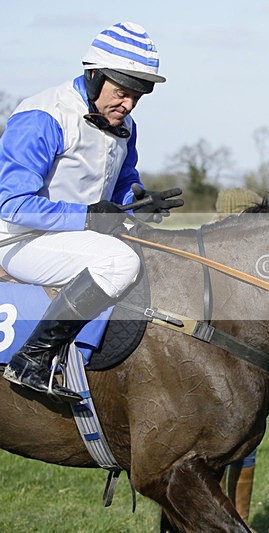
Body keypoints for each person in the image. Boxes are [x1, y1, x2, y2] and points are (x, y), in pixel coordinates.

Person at [0, 22, 182, 402]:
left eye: (137, 96)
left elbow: (123, 183)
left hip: (74, 238)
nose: (128, 105)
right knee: (119, 264)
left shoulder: (125, 125)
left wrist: (141, 200)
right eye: (122, 92)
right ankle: (32, 359)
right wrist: (86, 216)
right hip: (19, 240)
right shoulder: (43, 116)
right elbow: (11, 204)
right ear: (94, 76)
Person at [214, 187, 264, 526]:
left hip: (250, 373)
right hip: (214, 374)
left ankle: (240, 521)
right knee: (215, 451)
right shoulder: (214, 259)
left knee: (247, 447)